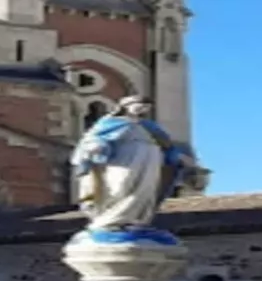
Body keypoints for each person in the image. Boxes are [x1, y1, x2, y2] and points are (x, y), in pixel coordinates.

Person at [71, 95, 203, 236]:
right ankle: (110, 219)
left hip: (150, 160)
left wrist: (178, 158)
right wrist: (97, 145)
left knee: (146, 190)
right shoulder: (111, 122)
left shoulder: (150, 126)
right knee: (120, 186)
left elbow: (168, 146)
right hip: (124, 159)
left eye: (147, 107)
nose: (143, 108)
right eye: (140, 105)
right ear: (126, 106)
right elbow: (93, 139)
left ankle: (137, 219)